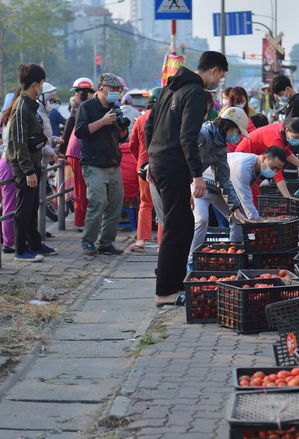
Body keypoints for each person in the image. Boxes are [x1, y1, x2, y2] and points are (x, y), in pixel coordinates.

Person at [145, 50, 228, 307]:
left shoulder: (170, 88)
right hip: (173, 165)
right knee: (176, 227)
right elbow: (187, 137)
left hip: (160, 163)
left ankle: (176, 282)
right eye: (221, 76)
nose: (219, 82)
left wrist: (151, 157)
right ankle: (164, 292)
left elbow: (150, 125)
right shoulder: (193, 92)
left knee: (182, 225)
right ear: (214, 70)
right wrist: (197, 175)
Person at [187, 107, 251, 266]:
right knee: (201, 219)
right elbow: (187, 159)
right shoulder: (204, 135)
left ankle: (233, 256)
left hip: (210, 187)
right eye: (237, 131)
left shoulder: (221, 146)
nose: (238, 137)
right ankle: (190, 261)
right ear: (229, 126)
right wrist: (192, 182)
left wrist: (235, 208)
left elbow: (223, 180)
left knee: (238, 216)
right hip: (192, 183)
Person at [6, 62, 58, 261]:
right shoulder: (21, 107)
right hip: (24, 165)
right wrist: (28, 171)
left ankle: (34, 244)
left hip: (33, 163)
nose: (42, 87)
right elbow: (19, 142)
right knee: (24, 208)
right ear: (36, 84)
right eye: (42, 83)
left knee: (32, 206)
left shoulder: (30, 105)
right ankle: (20, 249)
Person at [74, 73, 129, 255]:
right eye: (112, 89)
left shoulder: (116, 107)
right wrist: (103, 121)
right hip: (93, 164)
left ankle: (106, 243)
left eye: (118, 90)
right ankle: (88, 241)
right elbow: (80, 132)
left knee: (114, 206)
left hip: (114, 163)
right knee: (98, 202)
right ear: (101, 89)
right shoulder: (87, 107)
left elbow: (123, 137)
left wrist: (120, 127)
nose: (115, 93)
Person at [235, 117, 299, 199]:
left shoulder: (283, 130)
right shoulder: (276, 139)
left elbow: (285, 151)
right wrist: (288, 197)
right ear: (287, 130)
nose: (298, 140)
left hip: (256, 159)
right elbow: (277, 173)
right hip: (243, 160)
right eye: (295, 137)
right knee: (253, 198)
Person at [128, 87, 162, 252]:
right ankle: (162, 244)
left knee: (145, 203)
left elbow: (132, 144)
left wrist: (139, 162)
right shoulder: (167, 119)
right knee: (163, 205)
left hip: (143, 166)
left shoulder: (140, 120)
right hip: (163, 167)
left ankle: (141, 240)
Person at [0, 86, 22, 254]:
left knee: (13, 204)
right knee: (10, 205)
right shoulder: (13, 116)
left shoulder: (10, 114)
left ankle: (12, 240)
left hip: (9, 161)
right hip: (9, 162)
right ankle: (9, 242)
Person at [269, 74, 299, 152]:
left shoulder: (296, 102)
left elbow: (291, 126)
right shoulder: (294, 101)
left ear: (287, 89)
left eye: (280, 94)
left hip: (298, 146)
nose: (279, 97)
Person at [219, 86, 257, 152]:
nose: (240, 105)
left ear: (246, 100)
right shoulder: (225, 111)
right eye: (237, 102)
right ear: (232, 101)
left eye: (242, 102)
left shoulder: (251, 110)